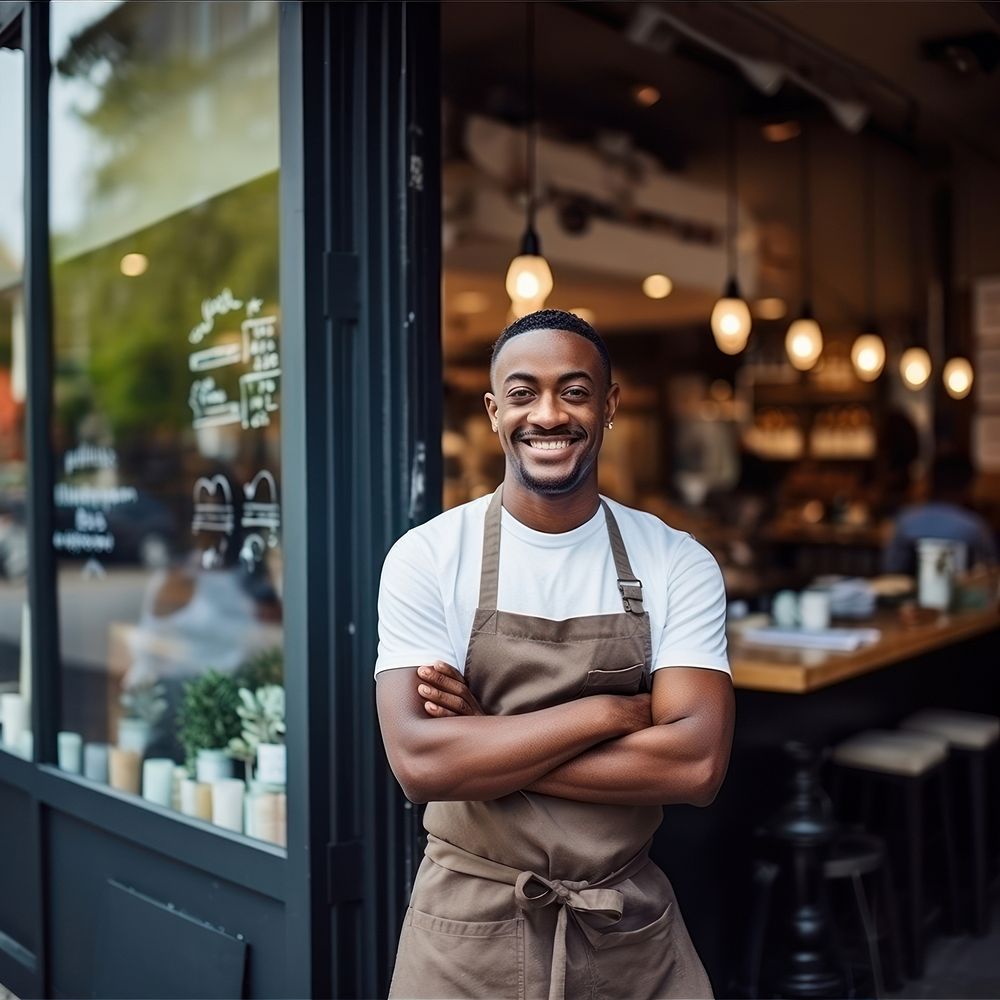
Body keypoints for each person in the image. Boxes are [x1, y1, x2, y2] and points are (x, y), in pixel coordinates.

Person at [375, 309, 735, 1000]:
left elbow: (695, 765)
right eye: (522, 392)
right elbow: (421, 763)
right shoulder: (427, 557)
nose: (548, 413)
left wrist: (488, 738)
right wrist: (609, 712)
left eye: (574, 391)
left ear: (608, 406)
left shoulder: (675, 561)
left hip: (626, 928)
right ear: (493, 410)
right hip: (463, 935)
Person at [883, 451, 998, 574]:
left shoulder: (905, 520)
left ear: (930, 482)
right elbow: (990, 569)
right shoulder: (974, 526)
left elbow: (891, 567)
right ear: (968, 486)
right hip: (960, 590)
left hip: (912, 591)